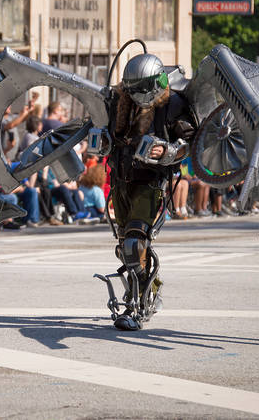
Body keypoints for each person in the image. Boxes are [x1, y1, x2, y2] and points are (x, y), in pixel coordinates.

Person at [104, 53, 196, 330]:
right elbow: (101, 131)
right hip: (121, 179)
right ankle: (147, 291)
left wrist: (167, 150)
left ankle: (137, 307)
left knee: (135, 243)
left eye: (140, 88)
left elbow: (192, 141)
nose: (135, 94)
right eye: (131, 88)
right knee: (125, 247)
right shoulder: (118, 102)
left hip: (151, 180)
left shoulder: (173, 105)